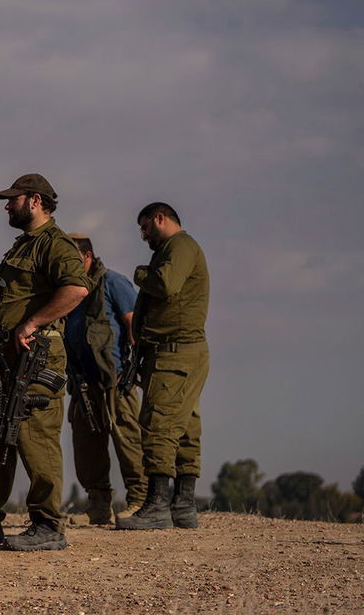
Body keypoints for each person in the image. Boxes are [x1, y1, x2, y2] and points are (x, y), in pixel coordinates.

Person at [0, 174, 89, 551]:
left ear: (34, 200)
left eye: (13, 199)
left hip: (37, 352)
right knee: (1, 436)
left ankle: (48, 524)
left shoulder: (54, 244)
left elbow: (77, 288)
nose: (7, 205)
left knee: (35, 436)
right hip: (11, 355)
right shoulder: (24, 245)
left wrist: (32, 321)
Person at [116, 202, 209, 530]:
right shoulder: (176, 248)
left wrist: (140, 273)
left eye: (145, 228)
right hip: (177, 351)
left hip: (176, 352)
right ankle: (182, 505)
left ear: (161, 218)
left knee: (159, 424)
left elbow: (165, 284)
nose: (143, 236)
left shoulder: (180, 246)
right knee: (184, 427)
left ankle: (157, 505)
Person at [62, 233, 146, 524]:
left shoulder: (112, 282)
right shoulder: (69, 290)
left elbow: (134, 323)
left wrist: (131, 368)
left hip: (115, 379)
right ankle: (98, 504)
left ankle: (139, 499)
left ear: (87, 257)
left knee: (127, 439)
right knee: (86, 446)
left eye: (72, 260)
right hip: (82, 383)